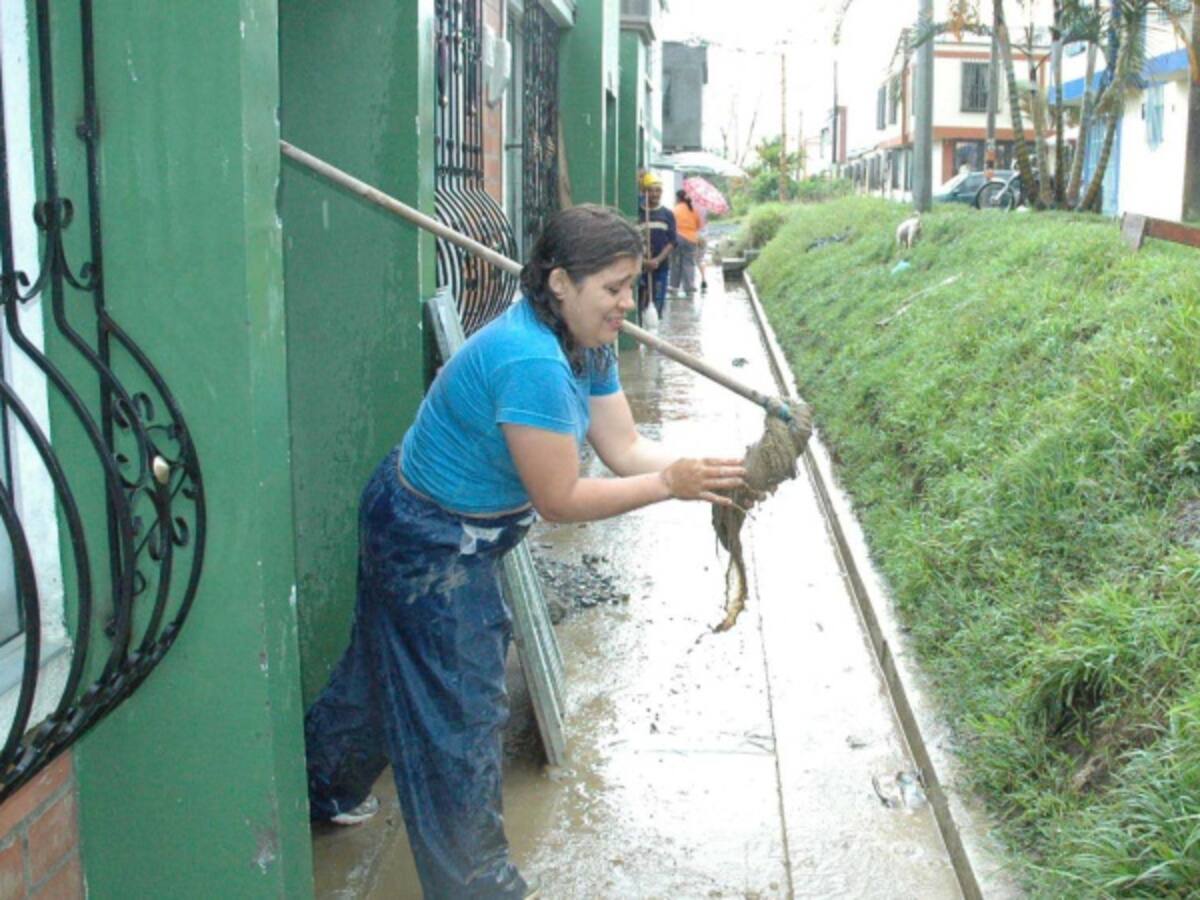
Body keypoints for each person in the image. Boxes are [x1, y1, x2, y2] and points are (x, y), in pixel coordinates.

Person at [303, 204, 747, 899]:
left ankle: (320, 783)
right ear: (562, 282)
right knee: (461, 716)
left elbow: (623, 447)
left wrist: (701, 471)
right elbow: (561, 499)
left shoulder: (585, 341)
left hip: (432, 515)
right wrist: (669, 486)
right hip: (430, 541)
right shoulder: (532, 361)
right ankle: (478, 888)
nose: (628, 304)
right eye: (615, 288)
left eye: (632, 285)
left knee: (377, 674)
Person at [636, 173, 675, 320]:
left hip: (661, 267)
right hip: (640, 267)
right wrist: (644, 262)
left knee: (658, 301)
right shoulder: (638, 214)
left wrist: (657, 260)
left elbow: (672, 242)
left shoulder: (667, 214)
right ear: (644, 192)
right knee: (640, 302)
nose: (654, 194)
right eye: (651, 190)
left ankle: (654, 329)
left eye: (658, 190)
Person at [670, 189, 702, 299]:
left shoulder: (675, 209)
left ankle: (674, 286)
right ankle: (689, 288)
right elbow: (699, 225)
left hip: (678, 237)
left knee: (675, 262)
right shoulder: (693, 210)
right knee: (688, 263)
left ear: (678, 198)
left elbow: (671, 225)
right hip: (691, 239)